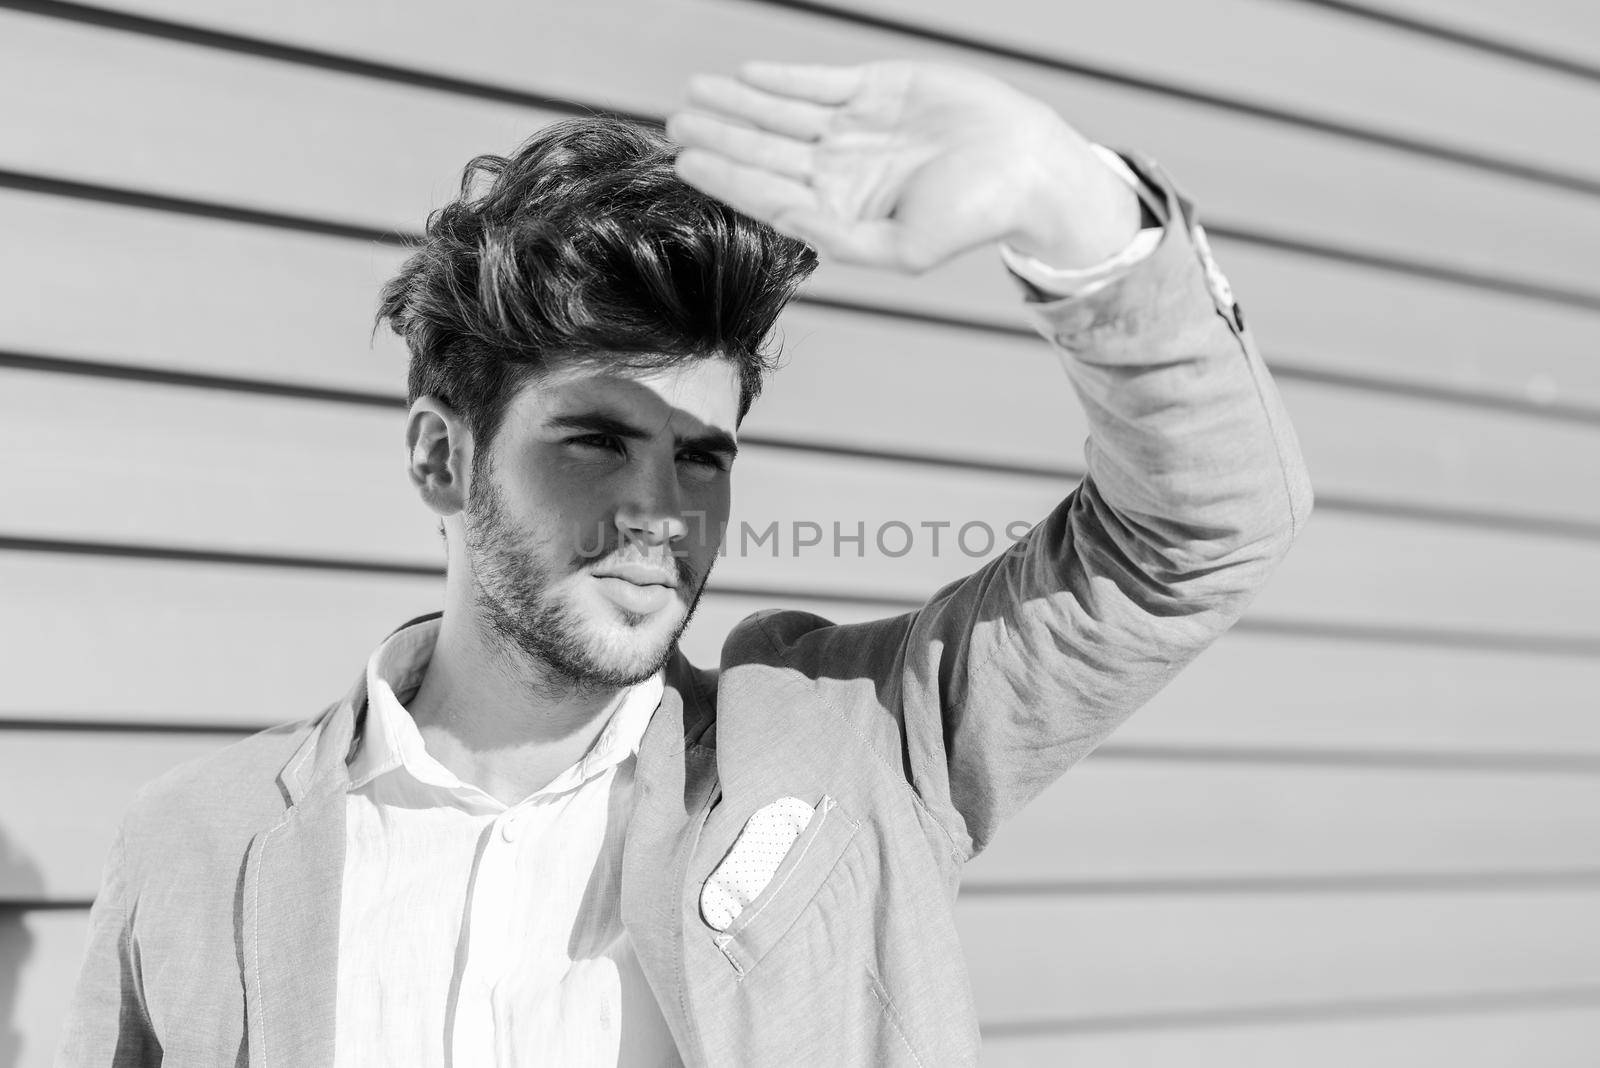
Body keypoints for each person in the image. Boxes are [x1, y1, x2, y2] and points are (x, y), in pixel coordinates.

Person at [57, 57, 1312, 1066]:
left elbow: (1195, 535)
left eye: (702, 456)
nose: (662, 512)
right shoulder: (196, 845)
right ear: (443, 458)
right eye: (597, 442)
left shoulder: (859, 749)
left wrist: (1069, 204)